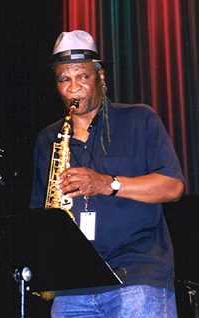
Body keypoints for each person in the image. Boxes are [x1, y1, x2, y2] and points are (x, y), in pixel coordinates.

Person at [30, 30, 184, 318]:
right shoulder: (48, 139)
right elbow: (41, 214)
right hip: (72, 286)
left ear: (100, 78)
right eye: (64, 79)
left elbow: (173, 187)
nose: (73, 88)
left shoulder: (140, 119)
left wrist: (106, 184)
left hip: (137, 276)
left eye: (83, 76)